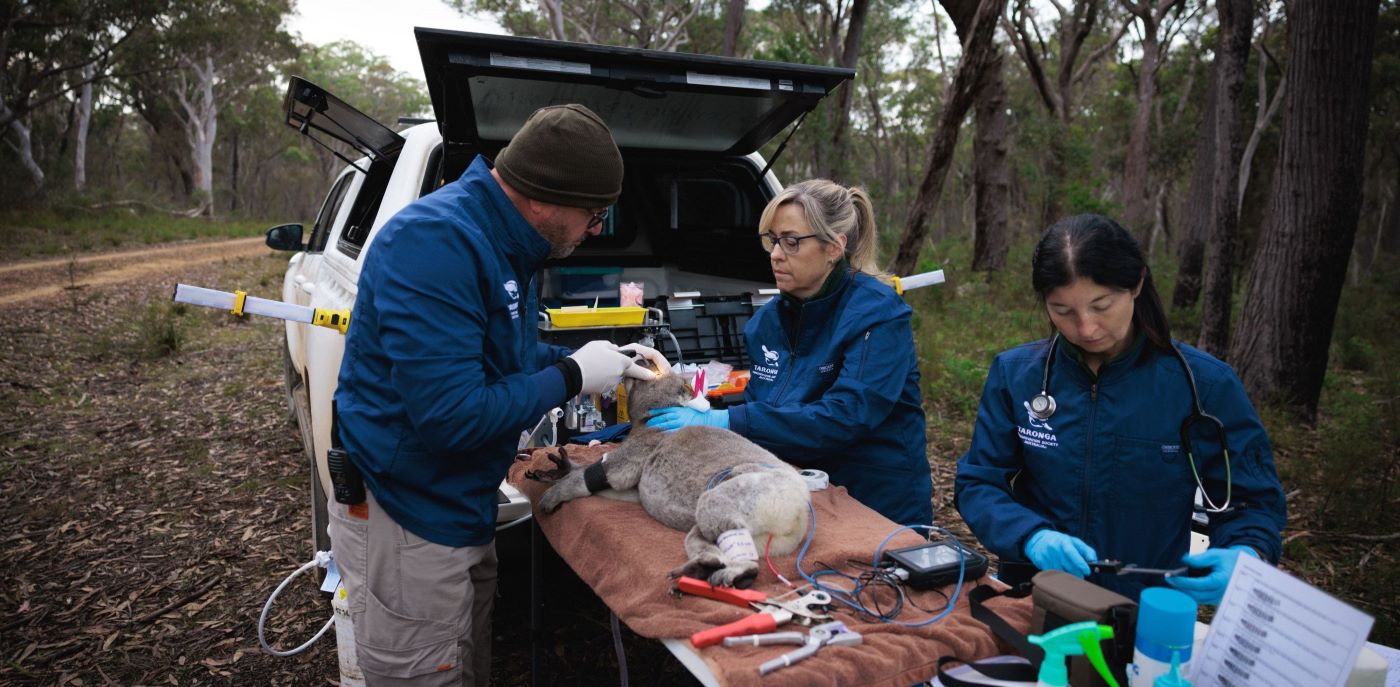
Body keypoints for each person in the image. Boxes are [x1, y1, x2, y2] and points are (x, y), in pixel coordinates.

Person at [328, 104, 664, 686]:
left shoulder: (507, 242)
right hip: (407, 512)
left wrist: (591, 362)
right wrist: (570, 377)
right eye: (593, 213)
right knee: (426, 673)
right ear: (542, 197)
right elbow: (451, 417)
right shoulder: (437, 243)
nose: (597, 229)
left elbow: (492, 360)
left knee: (464, 665)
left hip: (458, 504)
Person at [954, 213, 1287, 601]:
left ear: (1137, 284)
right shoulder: (1017, 375)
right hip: (1034, 597)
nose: (1086, 328)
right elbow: (979, 482)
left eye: (1102, 305)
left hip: (1143, 607)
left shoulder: (1204, 386)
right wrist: (1030, 536)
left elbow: (1253, 503)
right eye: (1062, 311)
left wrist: (1245, 554)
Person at [647, 179, 933, 527]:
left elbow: (846, 416)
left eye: (792, 242)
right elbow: (764, 407)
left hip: (877, 504)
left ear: (833, 247)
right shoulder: (767, 322)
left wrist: (729, 420)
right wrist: (711, 417)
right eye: (773, 240)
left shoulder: (879, 315)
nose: (776, 254)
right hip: (796, 493)